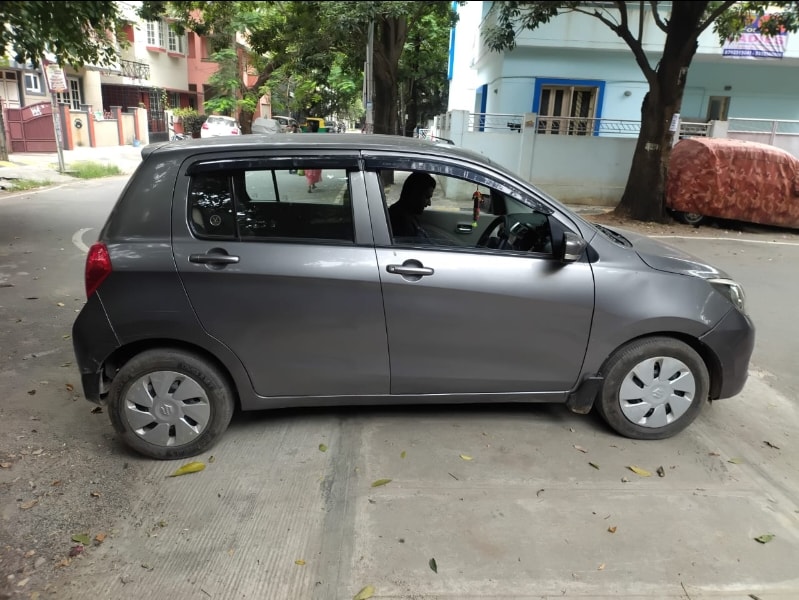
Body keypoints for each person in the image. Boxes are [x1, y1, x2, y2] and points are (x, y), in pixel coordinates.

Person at [388, 172, 436, 240]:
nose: (429, 203)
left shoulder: (408, 214)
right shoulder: (402, 223)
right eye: (427, 197)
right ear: (415, 195)